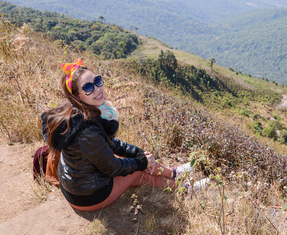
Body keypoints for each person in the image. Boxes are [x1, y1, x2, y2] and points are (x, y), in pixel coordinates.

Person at [40, 59, 192, 211]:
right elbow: (111, 167)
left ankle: (173, 174)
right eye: (88, 87)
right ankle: (183, 187)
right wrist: (142, 163)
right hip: (88, 196)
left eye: (97, 81)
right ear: (77, 96)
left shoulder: (80, 113)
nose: (97, 89)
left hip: (76, 185)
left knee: (138, 160)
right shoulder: (86, 129)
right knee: (139, 172)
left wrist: (137, 153)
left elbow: (109, 143)